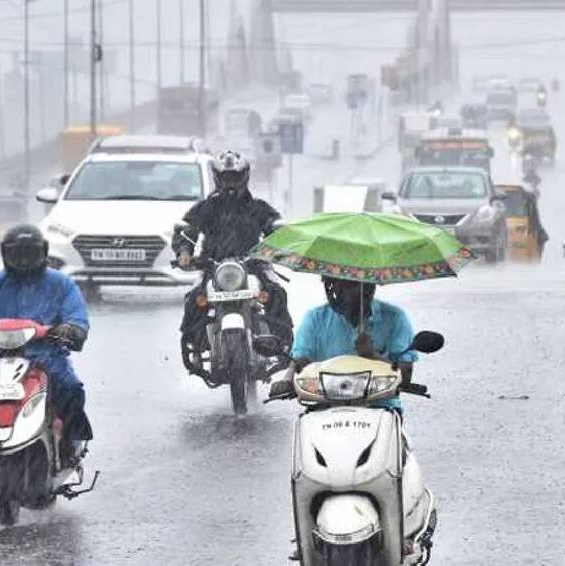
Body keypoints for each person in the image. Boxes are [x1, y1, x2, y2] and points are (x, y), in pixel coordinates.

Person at [0, 225, 92, 478]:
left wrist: (73, 329)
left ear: (44, 253)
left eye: (30, 253)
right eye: (18, 254)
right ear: (5, 254)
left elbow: (76, 315)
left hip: (47, 357)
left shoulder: (61, 284)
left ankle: (70, 443)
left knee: (71, 389)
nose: (24, 260)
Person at [172, 150, 293, 371]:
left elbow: (275, 228)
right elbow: (187, 231)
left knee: (275, 293)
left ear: (244, 177)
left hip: (254, 266)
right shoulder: (206, 208)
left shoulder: (257, 208)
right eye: (225, 178)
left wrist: (278, 246)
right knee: (194, 300)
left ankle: (282, 345)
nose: (230, 183)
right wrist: (184, 252)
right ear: (217, 177)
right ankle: (196, 347)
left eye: (235, 178)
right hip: (213, 267)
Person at [269, 277, 417, 413]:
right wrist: (286, 381)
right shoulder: (315, 318)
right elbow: (300, 361)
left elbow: (405, 373)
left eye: (361, 285)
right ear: (331, 287)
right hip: (324, 407)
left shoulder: (395, 317)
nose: (356, 293)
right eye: (345, 285)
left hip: (381, 408)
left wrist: (372, 355)